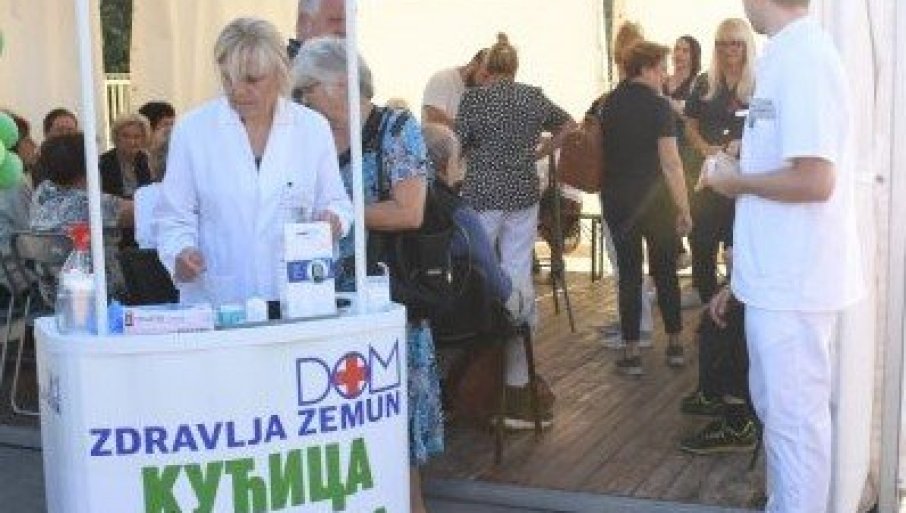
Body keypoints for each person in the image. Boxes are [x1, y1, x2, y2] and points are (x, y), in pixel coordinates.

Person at [703, 0, 864, 510]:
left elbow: (815, 179)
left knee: (794, 431)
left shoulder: (805, 59)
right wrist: (742, 281)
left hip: (794, 284)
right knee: (785, 424)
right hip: (779, 281)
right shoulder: (786, 55)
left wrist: (736, 181)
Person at [292, 36, 436, 513]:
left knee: (396, 439)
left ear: (339, 84)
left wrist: (338, 214)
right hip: (321, 302)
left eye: (307, 89)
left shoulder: (395, 128)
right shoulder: (307, 134)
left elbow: (410, 211)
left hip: (386, 302)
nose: (301, 100)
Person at [156, 18, 352, 310]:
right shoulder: (192, 130)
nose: (238, 91)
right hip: (219, 302)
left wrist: (333, 222)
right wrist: (181, 253)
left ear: (280, 73)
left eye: (251, 79)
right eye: (228, 79)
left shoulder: (313, 128)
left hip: (296, 298)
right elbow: (173, 216)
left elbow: (337, 202)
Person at [422, 122, 555, 429]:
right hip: (459, 318)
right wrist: (514, 296)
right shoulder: (459, 213)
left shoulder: (403, 204)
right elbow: (493, 278)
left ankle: (444, 390)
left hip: (420, 309)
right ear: (447, 163)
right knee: (524, 311)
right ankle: (516, 400)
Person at [598, 41, 692, 376]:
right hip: (656, 202)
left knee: (629, 275)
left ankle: (632, 351)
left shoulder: (609, 103)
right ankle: (675, 345)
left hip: (618, 200)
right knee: (665, 272)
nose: (665, 75)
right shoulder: (658, 106)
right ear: (647, 68)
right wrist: (684, 207)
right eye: (661, 68)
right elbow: (671, 163)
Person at [685, 18, 755, 304]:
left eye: (735, 43)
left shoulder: (760, 83)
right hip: (708, 175)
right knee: (702, 238)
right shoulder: (704, 82)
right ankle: (704, 294)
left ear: (746, 46)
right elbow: (689, 125)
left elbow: (769, 127)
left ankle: (736, 297)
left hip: (744, 177)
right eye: (722, 44)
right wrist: (705, 148)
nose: (728, 50)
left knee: (737, 240)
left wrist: (744, 145)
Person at [29, 132, 132, 233]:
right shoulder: (86, 204)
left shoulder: (43, 191)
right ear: (85, 169)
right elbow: (137, 211)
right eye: (97, 164)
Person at [421, 49, 489, 129]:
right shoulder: (443, 78)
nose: (486, 83)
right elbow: (433, 117)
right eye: (484, 76)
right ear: (474, 63)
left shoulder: (482, 92)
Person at [99, 113, 153, 199]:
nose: (131, 142)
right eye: (125, 136)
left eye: (137, 137)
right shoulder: (103, 162)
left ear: (144, 139)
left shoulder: (149, 161)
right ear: (116, 137)